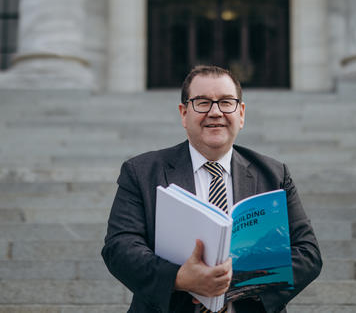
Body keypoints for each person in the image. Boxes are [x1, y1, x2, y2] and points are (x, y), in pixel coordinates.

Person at [102, 65, 322, 313]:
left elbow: (308, 254)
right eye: (202, 102)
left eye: (226, 102)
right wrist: (179, 277)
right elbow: (119, 247)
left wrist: (234, 280)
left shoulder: (274, 174)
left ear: (241, 113)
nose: (215, 112)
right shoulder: (141, 172)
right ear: (184, 114)